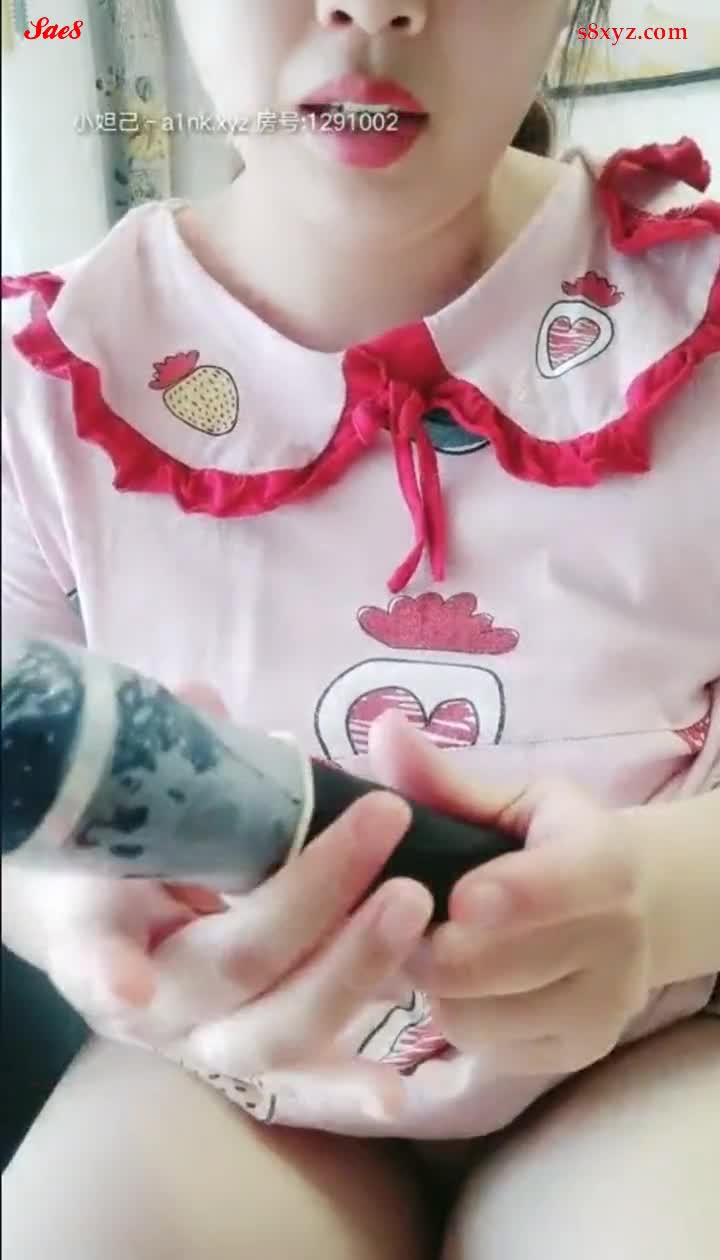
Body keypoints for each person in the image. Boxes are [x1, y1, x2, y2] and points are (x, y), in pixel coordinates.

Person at [2, 1, 719, 1256]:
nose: (376, 3)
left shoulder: (694, 324)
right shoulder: (49, 385)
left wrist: (656, 902)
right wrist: (69, 923)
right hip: (222, 1090)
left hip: (651, 1057)